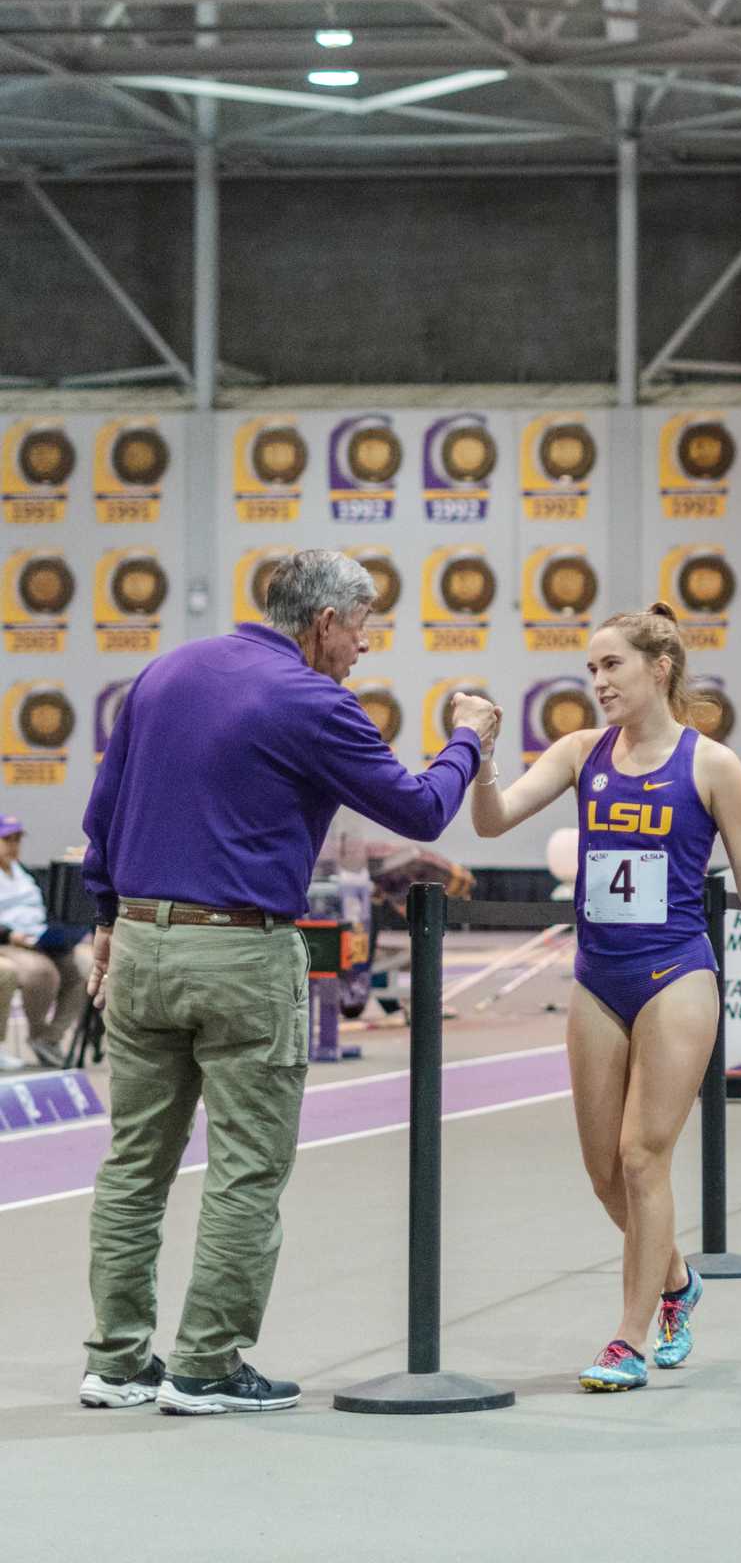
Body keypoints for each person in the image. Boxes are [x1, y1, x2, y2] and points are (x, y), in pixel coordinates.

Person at [75, 549, 497, 1415]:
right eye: (365, 625)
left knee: (131, 1166)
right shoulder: (311, 699)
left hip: (143, 944)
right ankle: (206, 1365)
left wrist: (107, 919)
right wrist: (468, 738)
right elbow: (419, 810)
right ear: (326, 623)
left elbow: (104, 810)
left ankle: (116, 1363)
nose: (366, 647)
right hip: (238, 951)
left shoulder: (166, 670)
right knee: (246, 1168)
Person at [469, 603, 741, 1392]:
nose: (597, 683)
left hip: (677, 973)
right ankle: (678, 1279)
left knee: (643, 1154)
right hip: (599, 975)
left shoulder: (712, 765)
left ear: (659, 668)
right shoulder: (583, 753)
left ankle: (628, 1338)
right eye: (590, 670)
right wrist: (481, 760)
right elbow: (493, 821)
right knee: (602, 1170)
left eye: (611, 666)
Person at [0, 813, 91, 1066]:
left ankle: (50, 1038)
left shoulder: (24, 872)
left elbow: (46, 907)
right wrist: (10, 934)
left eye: (17, 839)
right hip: (9, 942)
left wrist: (59, 930)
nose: (13, 845)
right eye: (7, 839)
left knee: (80, 974)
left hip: (39, 938)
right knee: (42, 972)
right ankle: (37, 1032)